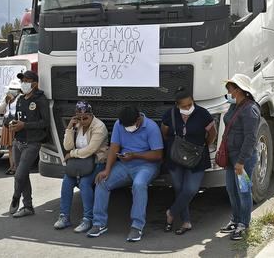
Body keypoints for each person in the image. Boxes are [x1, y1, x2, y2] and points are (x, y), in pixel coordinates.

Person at [87, 105, 163, 242]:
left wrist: (135, 155)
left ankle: (137, 226)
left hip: (147, 166)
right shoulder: (119, 124)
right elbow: (114, 147)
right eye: (125, 126)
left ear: (138, 119)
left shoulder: (151, 127)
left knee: (139, 184)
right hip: (125, 164)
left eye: (130, 125)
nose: (128, 128)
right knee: (102, 181)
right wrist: (107, 170)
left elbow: (157, 155)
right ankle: (99, 223)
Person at [161, 87, 217, 235]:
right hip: (175, 157)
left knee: (191, 189)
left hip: (197, 157)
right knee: (179, 189)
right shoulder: (170, 114)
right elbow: (165, 132)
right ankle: (186, 222)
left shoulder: (202, 113)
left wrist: (202, 145)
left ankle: (171, 213)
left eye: (190, 104)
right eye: (184, 106)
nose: (188, 108)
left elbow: (212, 134)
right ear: (177, 104)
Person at [54, 101, 108, 233]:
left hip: (96, 161)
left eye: (86, 118)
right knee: (67, 182)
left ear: (91, 115)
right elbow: (67, 146)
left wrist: (72, 154)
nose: (83, 121)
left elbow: (91, 150)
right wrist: (69, 128)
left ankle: (87, 219)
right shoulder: (77, 125)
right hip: (79, 162)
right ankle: (64, 216)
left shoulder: (99, 127)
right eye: (79, 118)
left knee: (85, 183)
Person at [218, 73, 260, 241]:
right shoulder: (234, 106)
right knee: (231, 189)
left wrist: (241, 162)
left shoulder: (250, 109)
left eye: (230, 87)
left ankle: (244, 224)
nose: (228, 89)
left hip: (244, 159)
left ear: (239, 89)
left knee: (243, 191)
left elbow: (250, 138)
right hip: (231, 157)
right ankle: (235, 220)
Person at [8, 70, 49, 218]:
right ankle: (28, 206)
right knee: (22, 175)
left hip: (32, 143)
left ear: (34, 83)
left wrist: (24, 125)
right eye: (22, 80)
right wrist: (13, 123)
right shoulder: (20, 99)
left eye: (27, 80)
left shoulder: (40, 100)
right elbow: (17, 117)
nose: (23, 83)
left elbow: (45, 122)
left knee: (19, 175)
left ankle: (15, 197)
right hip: (18, 141)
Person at [0, 79, 22, 175]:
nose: (12, 90)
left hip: (16, 123)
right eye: (11, 88)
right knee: (10, 147)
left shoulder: (21, 98)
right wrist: (6, 101)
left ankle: (17, 166)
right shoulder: (7, 98)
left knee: (17, 146)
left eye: (14, 89)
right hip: (7, 123)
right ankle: (12, 166)